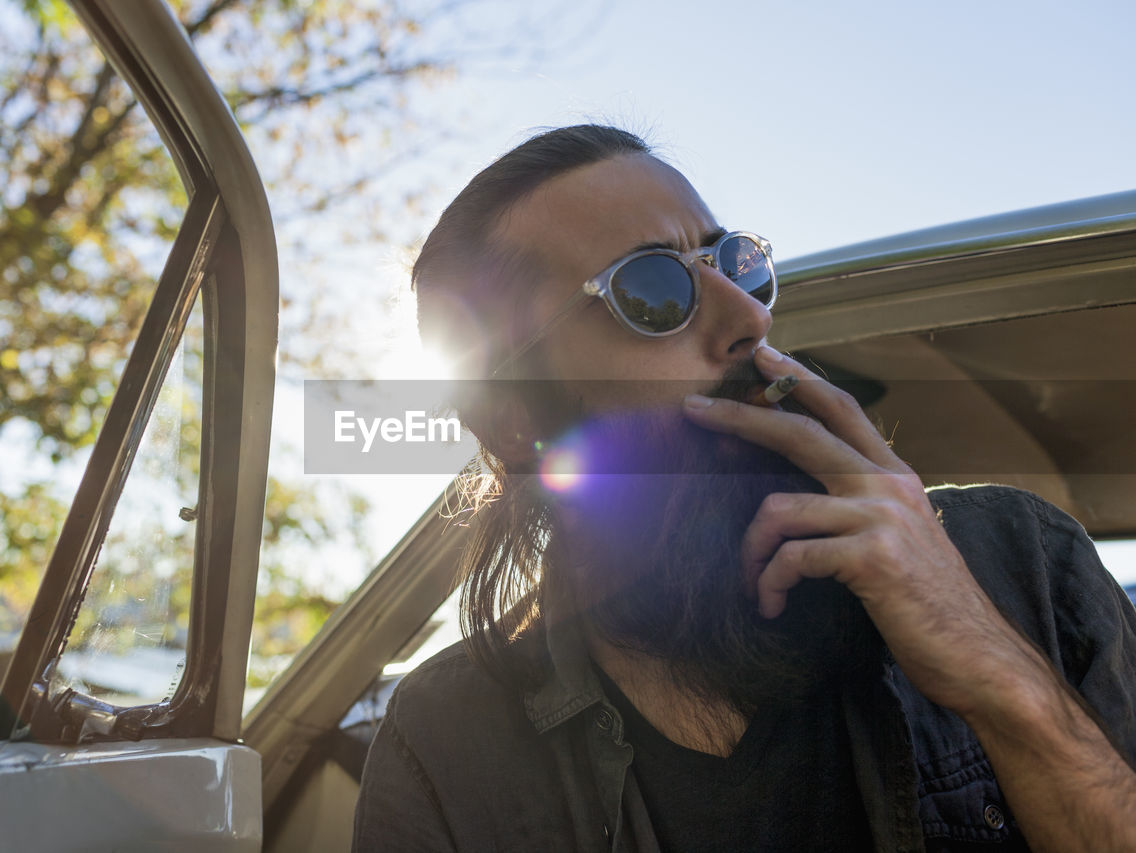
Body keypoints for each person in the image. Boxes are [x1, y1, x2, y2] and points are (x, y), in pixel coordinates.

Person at [352, 125, 1136, 851]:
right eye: (653, 290)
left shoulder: (1021, 561)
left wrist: (1002, 678)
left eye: (735, 262)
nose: (749, 319)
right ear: (518, 421)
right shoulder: (447, 738)